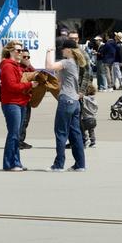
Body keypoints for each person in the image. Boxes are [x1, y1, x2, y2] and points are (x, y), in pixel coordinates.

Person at [50, 39, 87, 171]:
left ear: (69, 50)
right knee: (75, 133)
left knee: (61, 132)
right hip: (75, 101)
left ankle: (58, 164)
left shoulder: (67, 62)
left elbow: (49, 66)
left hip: (66, 100)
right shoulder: (75, 63)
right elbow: (59, 80)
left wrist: (49, 52)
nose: (61, 50)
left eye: (63, 48)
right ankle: (80, 164)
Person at [0, 42, 33, 172]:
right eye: (18, 50)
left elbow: (30, 73)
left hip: (20, 102)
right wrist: (29, 85)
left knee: (16, 135)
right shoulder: (8, 66)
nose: (21, 52)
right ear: (10, 51)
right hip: (12, 103)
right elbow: (11, 86)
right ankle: (9, 163)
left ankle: (16, 162)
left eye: (22, 50)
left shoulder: (17, 66)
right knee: (13, 134)